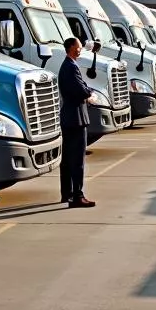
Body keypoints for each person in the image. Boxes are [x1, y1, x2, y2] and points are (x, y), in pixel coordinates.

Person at [58, 37, 97, 207]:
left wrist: (86, 91)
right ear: (72, 48)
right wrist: (90, 94)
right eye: (79, 46)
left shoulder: (68, 66)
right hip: (76, 118)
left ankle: (66, 193)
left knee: (67, 159)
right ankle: (77, 196)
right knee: (77, 159)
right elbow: (80, 89)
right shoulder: (70, 67)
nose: (81, 49)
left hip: (69, 117)